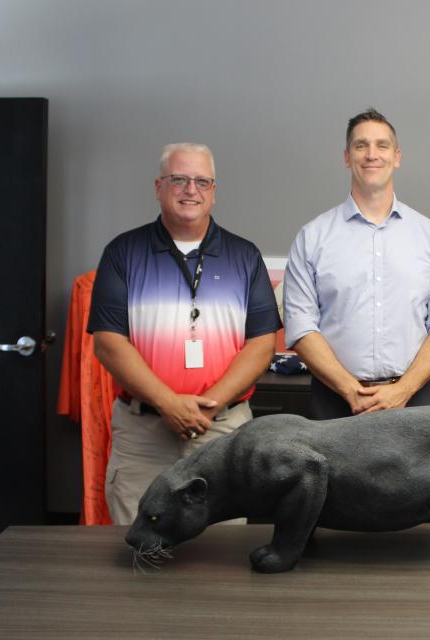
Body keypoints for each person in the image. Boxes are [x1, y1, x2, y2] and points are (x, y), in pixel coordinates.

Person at [88, 142, 281, 524]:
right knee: (141, 547)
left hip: (222, 430)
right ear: (159, 186)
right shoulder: (123, 253)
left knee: (220, 553)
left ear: (213, 191)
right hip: (145, 434)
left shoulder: (244, 256)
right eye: (179, 180)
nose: (190, 190)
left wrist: (207, 405)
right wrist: (168, 403)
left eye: (202, 181)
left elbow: (262, 344)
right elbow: (108, 343)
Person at [284, 109, 430, 419]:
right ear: (347, 156)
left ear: (397, 156)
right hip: (334, 402)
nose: (371, 155)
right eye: (361, 145)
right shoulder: (312, 237)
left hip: (414, 400)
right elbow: (301, 326)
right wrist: (349, 389)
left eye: (382, 145)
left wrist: (403, 389)